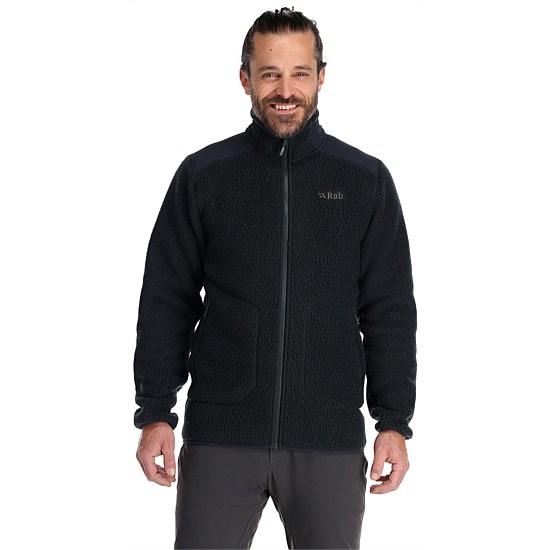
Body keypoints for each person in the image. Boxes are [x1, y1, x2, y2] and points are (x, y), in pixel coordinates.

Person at [133, 7, 417, 549]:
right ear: (245, 79)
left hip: (328, 437)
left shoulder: (364, 180)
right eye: (270, 74)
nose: (286, 90)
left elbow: (389, 310)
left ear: (321, 77)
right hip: (220, 435)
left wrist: (393, 422)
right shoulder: (204, 175)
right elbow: (166, 299)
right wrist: (155, 412)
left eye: (299, 73)